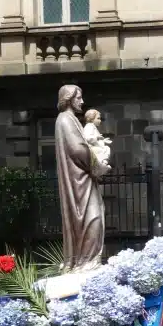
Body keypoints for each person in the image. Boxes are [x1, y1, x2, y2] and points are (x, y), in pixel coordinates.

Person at [55, 84, 107, 273]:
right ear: (69, 99)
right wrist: (98, 166)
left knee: (94, 217)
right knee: (93, 218)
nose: (82, 101)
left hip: (82, 180)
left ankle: (87, 261)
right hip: (79, 182)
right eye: (78, 97)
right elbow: (78, 149)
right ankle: (86, 263)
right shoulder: (65, 120)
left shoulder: (71, 120)